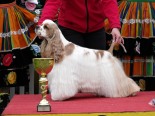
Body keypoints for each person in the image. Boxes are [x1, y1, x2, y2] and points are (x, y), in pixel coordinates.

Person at [38, 0, 124, 50]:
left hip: (96, 27)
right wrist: (43, 24)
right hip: (70, 27)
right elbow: (53, 2)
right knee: (73, 68)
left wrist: (115, 26)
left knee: (97, 67)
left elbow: (109, 1)